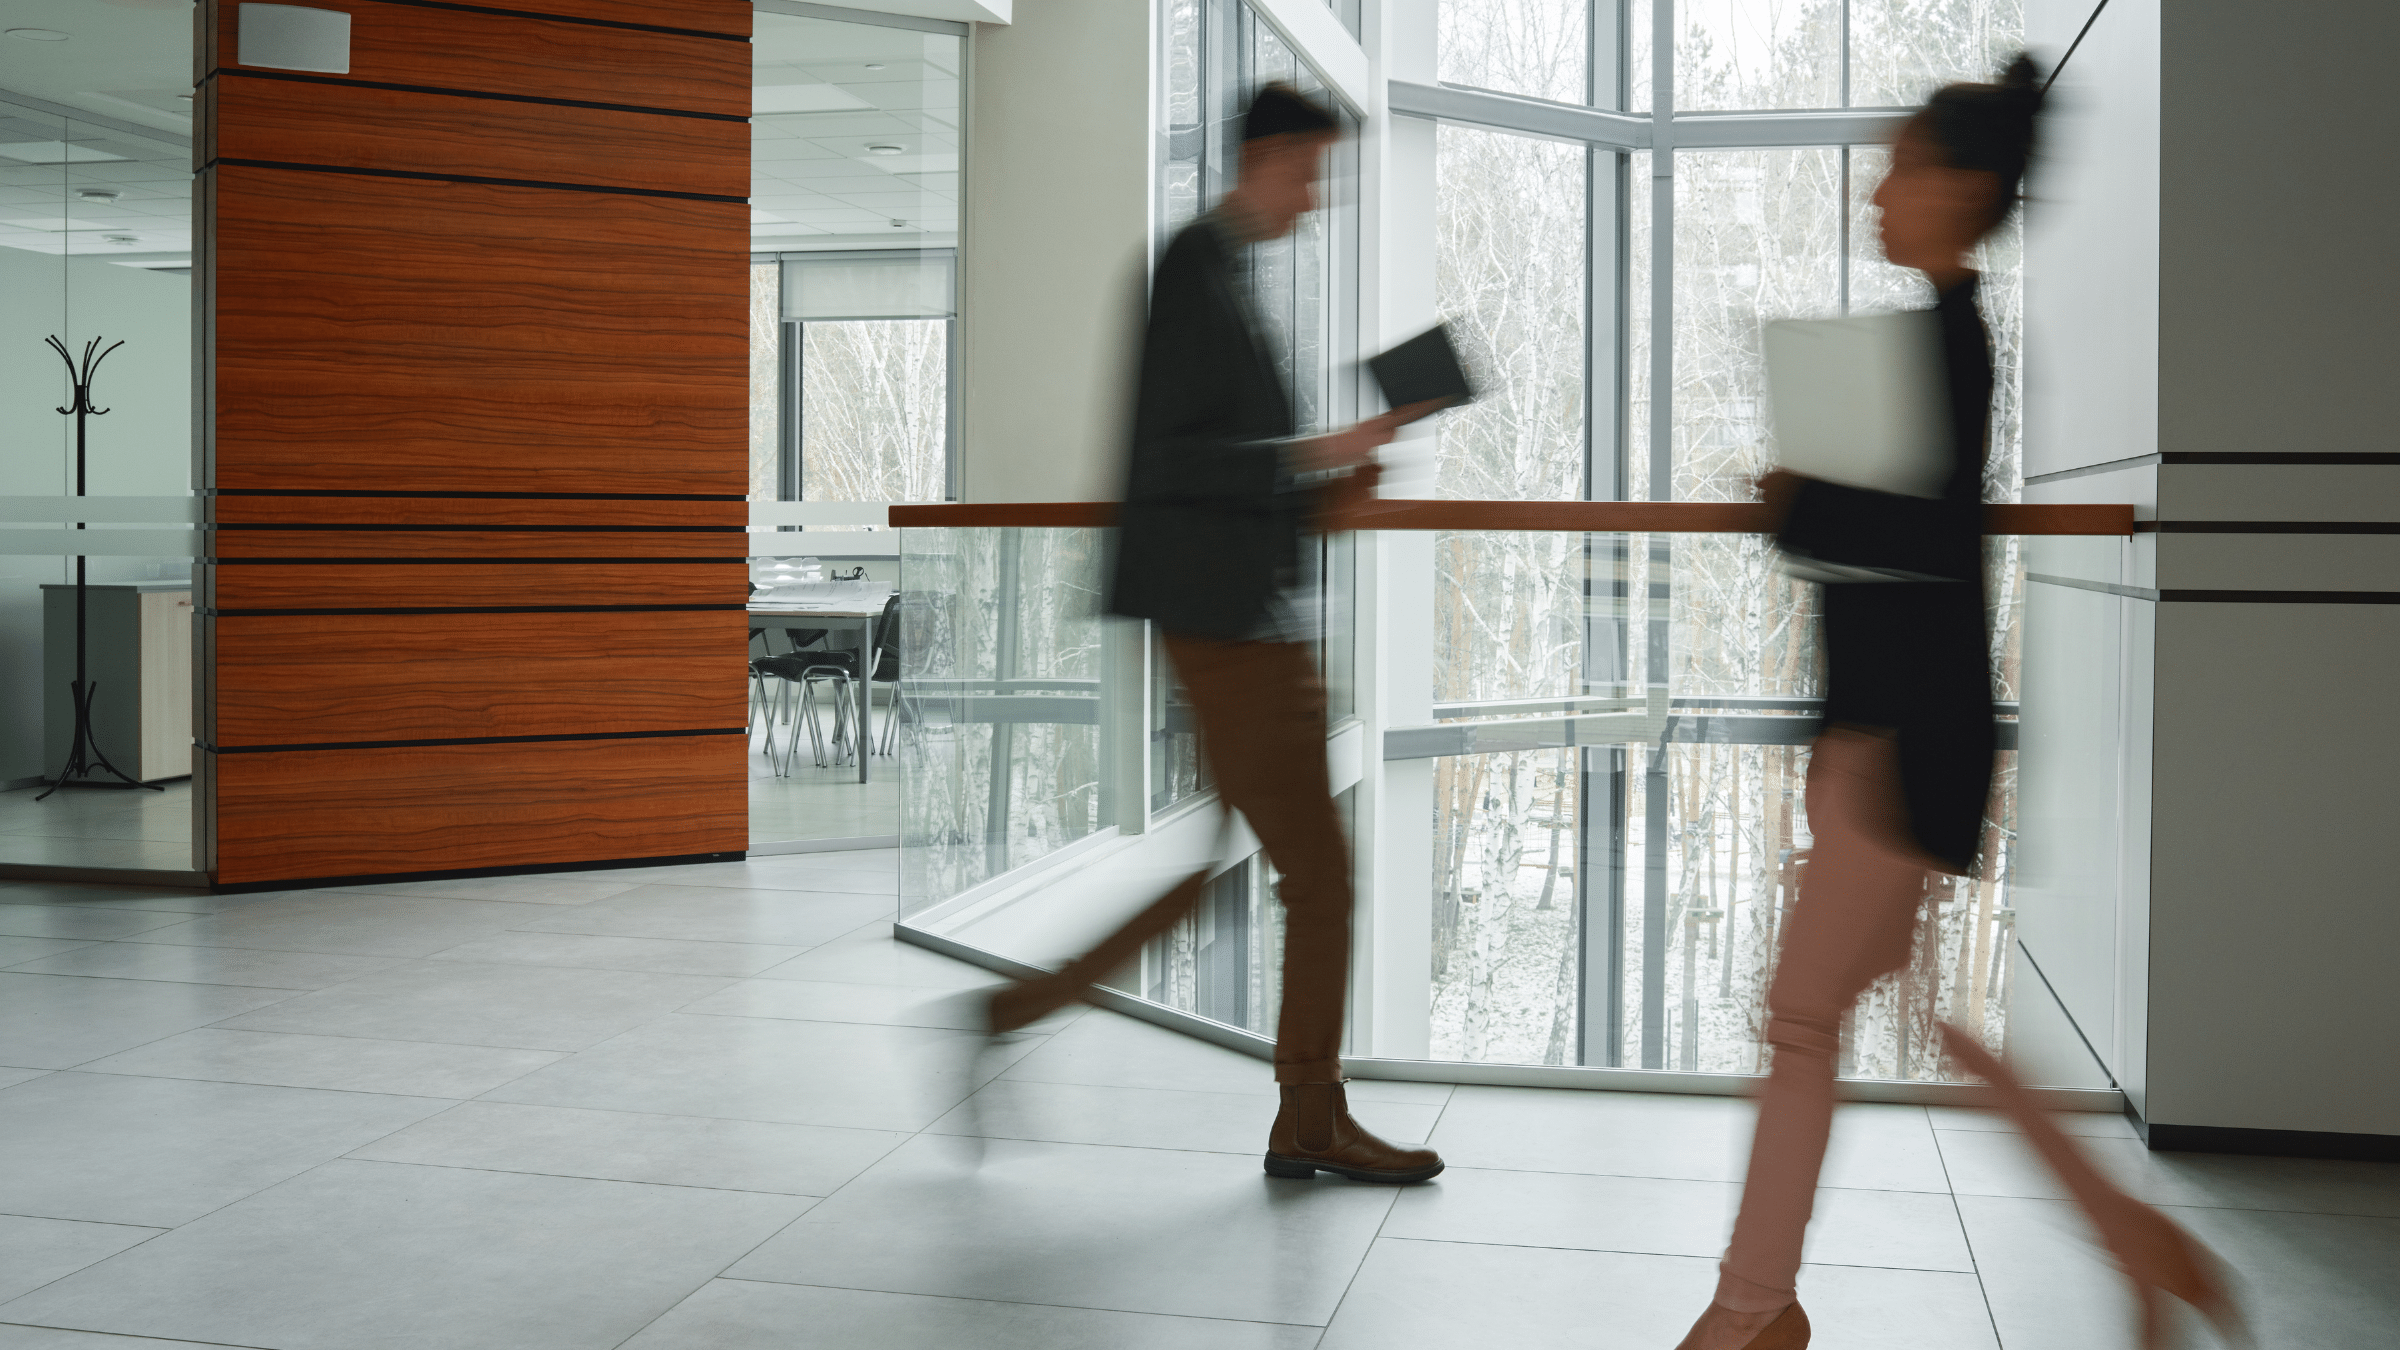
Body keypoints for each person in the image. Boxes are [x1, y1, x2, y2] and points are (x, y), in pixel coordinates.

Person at [1674, 56, 2241, 1350]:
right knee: (1921, 1021)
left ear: (1965, 189)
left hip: (1903, 740)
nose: (1878, 192)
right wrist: (1806, 508)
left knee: (1803, 1017)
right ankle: (2144, 1245)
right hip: (1898, 733)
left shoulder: (1949, 337)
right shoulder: (1939, 332)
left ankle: (1754, 1306)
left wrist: (1793, 499)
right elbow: (1913, 538)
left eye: (1902, 169)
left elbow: (1928, 535)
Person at [973, 83, 1445, 1184]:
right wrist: (1320, 455)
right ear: (1268, 155)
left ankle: (1023, 1013)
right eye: (1312, 171)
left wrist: (1336, 480)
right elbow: (1171, 465)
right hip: (1223, 628)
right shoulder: (1194, 267)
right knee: (1320, 880)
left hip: (1244, 618)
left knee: (1240, 869)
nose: (1318, 199)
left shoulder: (1226, 275)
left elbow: (1233, 473)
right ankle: (1306, 1120)